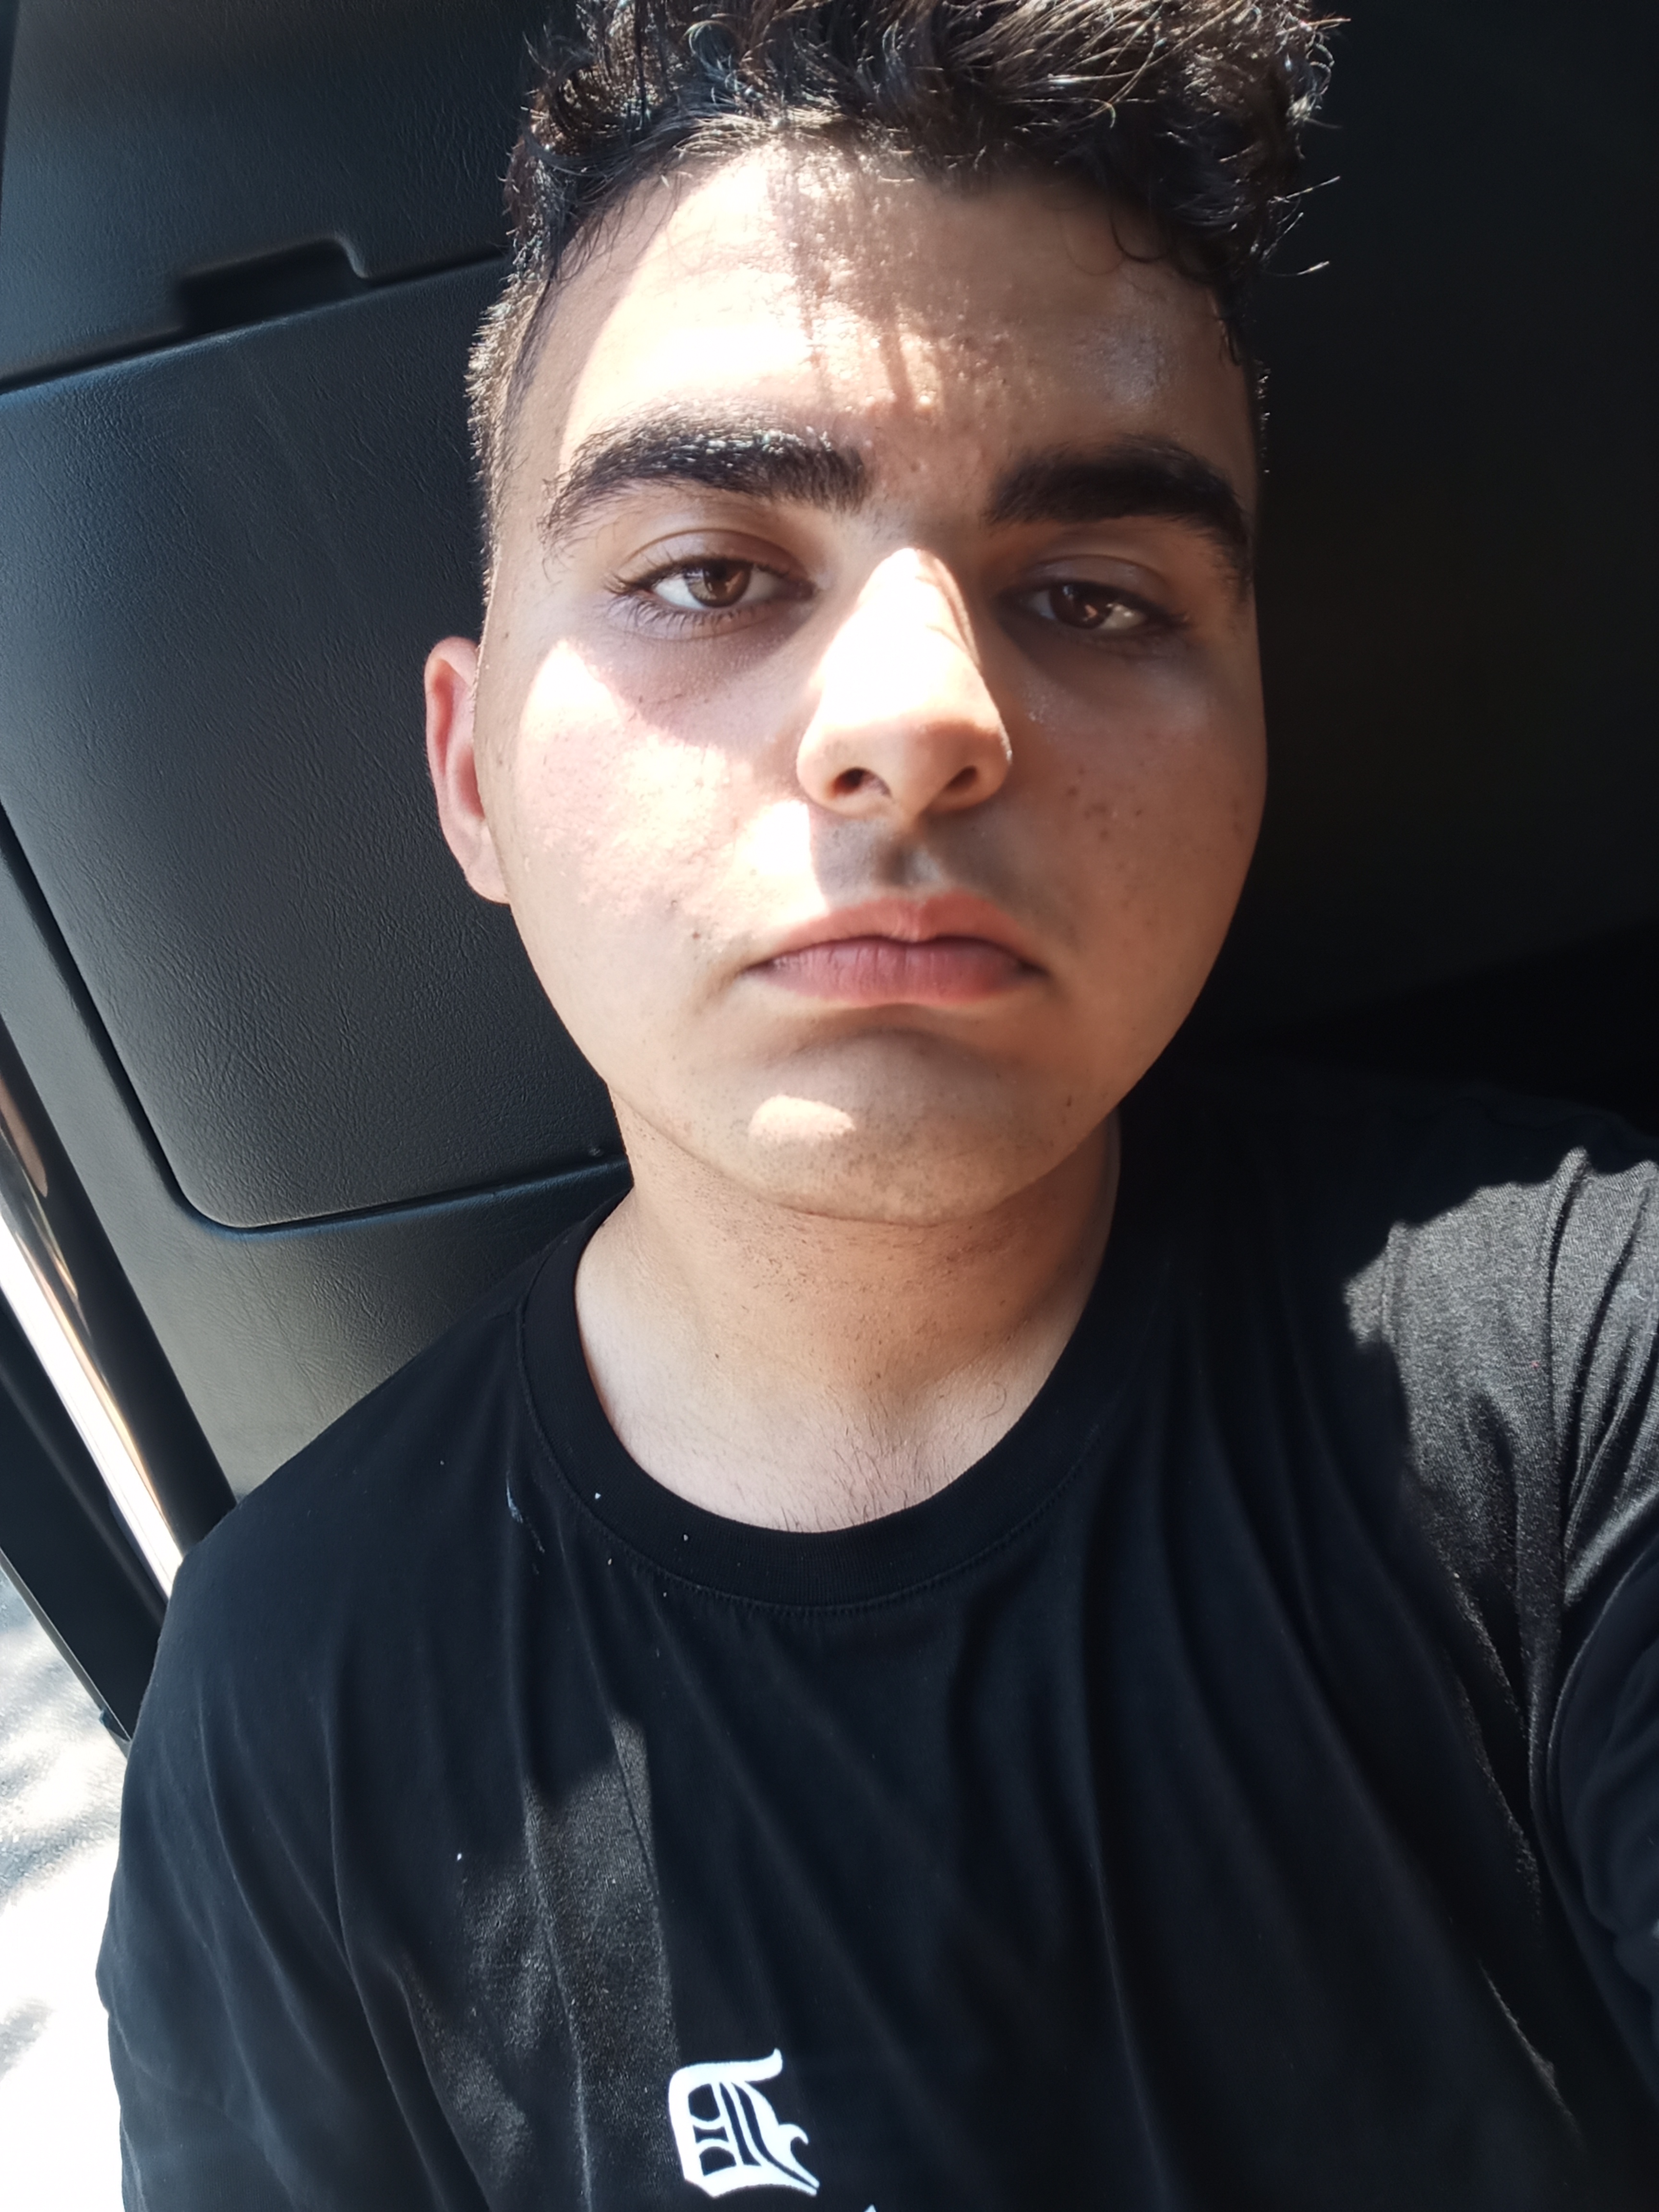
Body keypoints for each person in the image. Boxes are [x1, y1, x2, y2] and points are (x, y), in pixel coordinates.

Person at [98, 0, 1659, 2202]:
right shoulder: (288, 1699)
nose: (922, 716)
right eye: (710, 575)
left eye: (1094, 595)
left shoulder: (1597, 1376)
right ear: (471, 773)